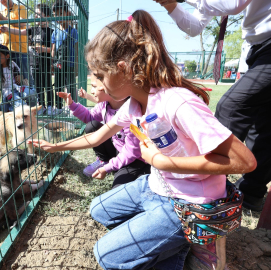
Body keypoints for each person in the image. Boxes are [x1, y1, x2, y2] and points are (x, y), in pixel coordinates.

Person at [29, 10, 256, 269]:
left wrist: (163, 162)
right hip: (157, 185)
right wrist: (56, 146)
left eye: (100, 76)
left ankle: (195, 240)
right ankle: (173, 242)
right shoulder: (135, 105)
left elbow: (244, 161)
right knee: (98, 209)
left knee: (106, 255)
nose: (98, 84)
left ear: (123, 69)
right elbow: (96, 137)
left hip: (191, 202)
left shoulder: (177, 102)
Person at [157, 0, 271, 211]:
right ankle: (251, 193)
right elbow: (194, 27)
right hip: (258, 50)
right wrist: (170, 5)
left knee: (232, 106)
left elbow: (234, 4)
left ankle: (209, 186)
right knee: (262, 121)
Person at [57, 75, 151, 189]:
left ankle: (128, 171)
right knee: (92, 125)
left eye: (94, 86)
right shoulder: (104, 105)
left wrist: (109, 168)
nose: (91, 91)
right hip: (117, 149)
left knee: (118, 189)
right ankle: (104, 161)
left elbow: (131, 152)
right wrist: (72, 104)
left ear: (108, 87)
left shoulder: (130, 112)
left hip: (134, 159)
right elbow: (90, 117)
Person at [0, 3, 54, 115]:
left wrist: (43, 50)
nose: (36, 17)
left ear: (47, 16)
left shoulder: (51, 32)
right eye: (36, 15)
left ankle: (50, 106)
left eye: (39, 14)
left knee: (47, 85)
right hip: (35, 64)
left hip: (46, 64)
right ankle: (41, 106)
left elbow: (53, 50)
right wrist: (7, 29)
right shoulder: (33, 29)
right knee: (38, 86)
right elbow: (20, 32)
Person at [0, 0, 32, 86]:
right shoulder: (2, 12)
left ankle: (31, 99)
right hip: (6, 54)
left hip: (20, 51)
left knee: (25, 81)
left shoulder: (20, 8)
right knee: (11, 83)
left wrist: (2, 18)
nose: (2, 1)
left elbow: (22, 24)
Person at [51, 0, 78, 114]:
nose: (58, 17)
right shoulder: (55, 32)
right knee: (58, 87)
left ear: (67, 13)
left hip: (70, 64)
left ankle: (73, 108)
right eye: (55, 15)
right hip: (58, 65)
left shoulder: (73, 32)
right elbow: (53, 49)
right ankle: (58, 108)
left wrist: (76, 66)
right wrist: (52, 63)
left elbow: (76, 50)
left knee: (70, 87)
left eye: (60, 13)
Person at [0, 45, 26, 112]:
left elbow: (21, 76)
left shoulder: (12, 64)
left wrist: (19, 77)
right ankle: (11, 110)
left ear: (7, 56)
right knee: (21, 104)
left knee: (31, 92)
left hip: (16, 88)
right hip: (6, 93)